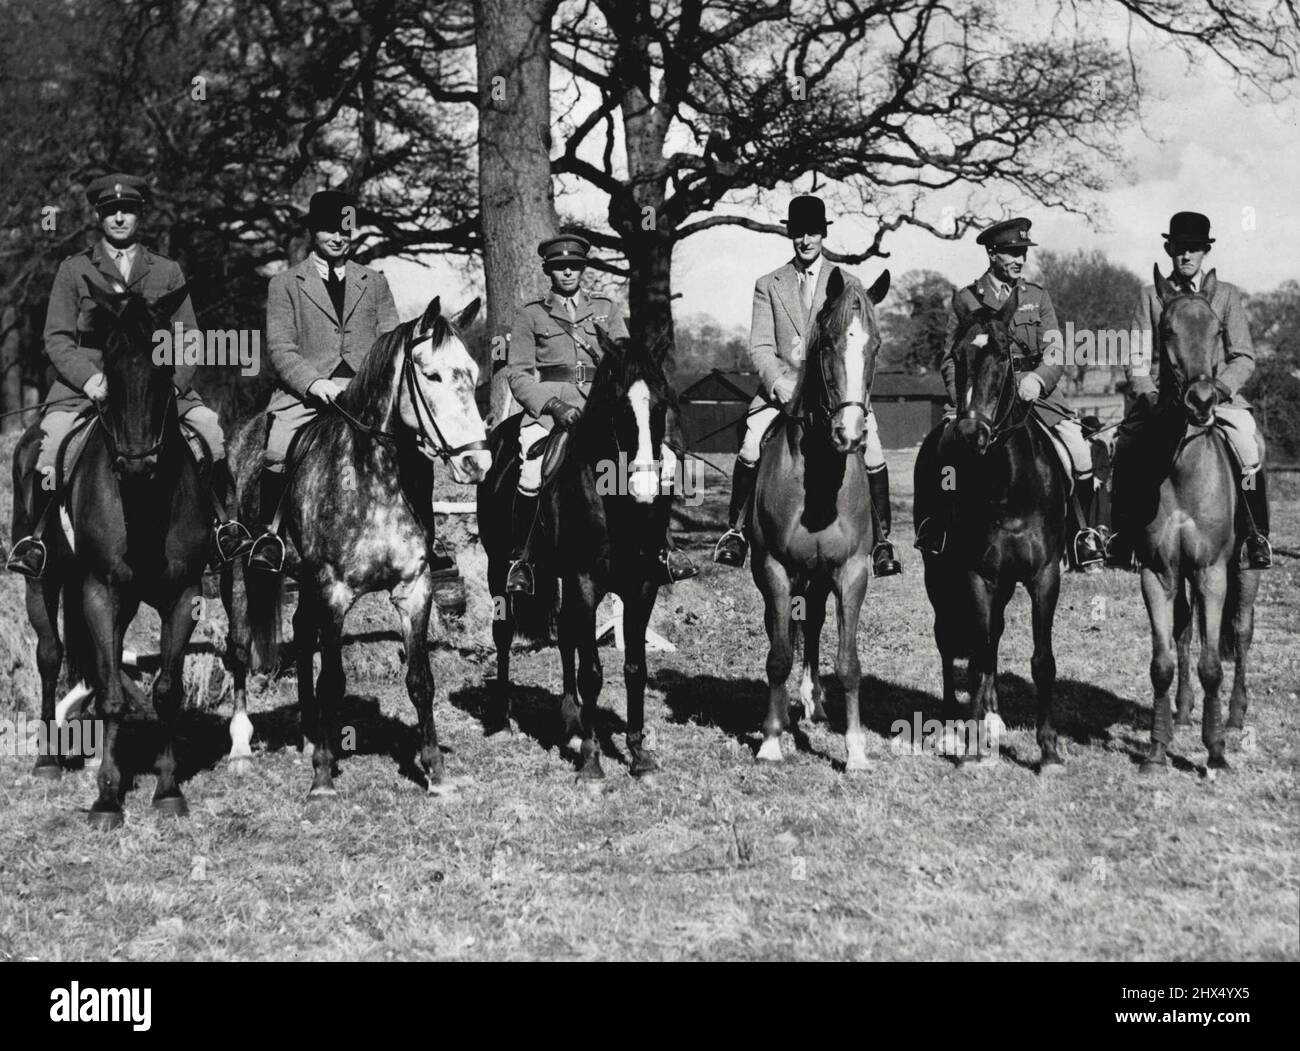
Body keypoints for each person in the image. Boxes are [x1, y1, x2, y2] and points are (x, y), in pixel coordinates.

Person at [6, 173, 244, 578]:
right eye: (110, 211)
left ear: (140, 216)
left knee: (211, 434)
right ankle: (38, 541)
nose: (119, 218)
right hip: (89, 388)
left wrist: (171, 387)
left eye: (127, 211)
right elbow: (57, 338)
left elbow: (188, 341)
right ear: (99, 216)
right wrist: (88, 379)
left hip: (155, 388)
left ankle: (224, 528)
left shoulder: (167, 272)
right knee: (50, 451)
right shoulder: (74, 270)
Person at [713, 195, 901, 576]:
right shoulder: (768, 284)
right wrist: (779, 382)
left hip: (836, 393)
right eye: (798, 232)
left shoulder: (849, 283)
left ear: (823, 234)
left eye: (812, 232)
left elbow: (857, 345)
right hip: (781, 389)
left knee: (874, 447)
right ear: (790, 234)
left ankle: (881, 542)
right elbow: (761, 345)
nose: (805, 240)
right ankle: (736, 532)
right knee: (752, 441)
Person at [503, 234, 697, 595]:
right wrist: (552, 406)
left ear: (582, 269)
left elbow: (627, 359)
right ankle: (523, 559)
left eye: (574, 266)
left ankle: (662, 549)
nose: (568, 273)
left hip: (605, 410)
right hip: (552, 409)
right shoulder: (531, 314)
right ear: (549, 270)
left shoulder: (606, 309)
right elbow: (517, 373)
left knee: (662, 463)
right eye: (560, 267)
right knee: (531, 472)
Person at [915, 217, 1105, 566]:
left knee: (1079, 450)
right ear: (992, 253)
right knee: (944, 451)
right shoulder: (967, 300)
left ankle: (1082, 534)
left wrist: (1039, 379)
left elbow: (1055, 350)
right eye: (1011, 253)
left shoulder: (1037, 297)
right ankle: (937, 526)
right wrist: (966, 399)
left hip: (1035, 394)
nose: (1019, 259)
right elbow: (950, 360)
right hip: (982, 397)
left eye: (1022, 253)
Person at [1106, 211, 1270, 569]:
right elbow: (1136, 358)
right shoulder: (1151, 296)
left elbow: (1242, 356)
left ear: (1204, 252)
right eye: (1180, 248)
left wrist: (1220, 389)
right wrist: (1149, 396)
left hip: (1216, 397)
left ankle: (1255, 535)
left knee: (1248, 443)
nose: (1186, 256)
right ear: (1169, 249)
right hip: (1161, 402)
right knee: (1126, 444)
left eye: (1194, 249)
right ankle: (1122, 536)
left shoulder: (1225, 295)